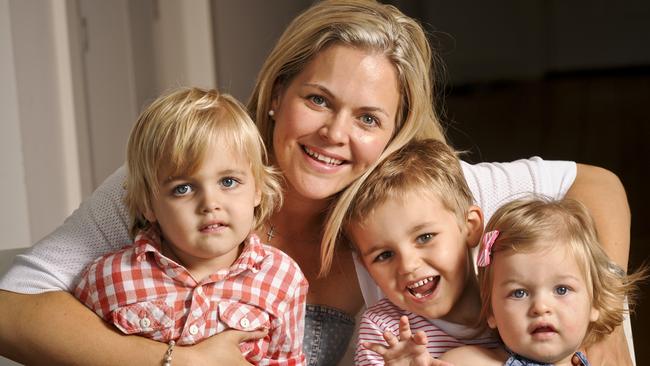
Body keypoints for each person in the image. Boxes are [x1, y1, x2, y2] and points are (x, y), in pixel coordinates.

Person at [0, 1, 633, 365]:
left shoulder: (407, 203)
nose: (336, 133)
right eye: (318, 99)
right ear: (277, 94)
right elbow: (13, 307)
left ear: (392, 135)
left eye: (368, 119)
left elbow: (593, 185)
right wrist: (173, 363)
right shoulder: (191, 177)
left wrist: (602, 329)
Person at [72, 87, 307, 365]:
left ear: (257, 189)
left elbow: (287, 361)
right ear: (149, 205)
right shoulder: (108, 279)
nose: (210, 203)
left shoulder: (282, 278)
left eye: (228, 182)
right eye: (183, 188)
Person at [439, 197, 645, 366]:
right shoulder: (475, 362)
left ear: (595, 303)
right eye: (519, 293)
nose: (541, 307)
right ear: (491, 310)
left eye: (562, 289)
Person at [342, 139, 495, 365]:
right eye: (384, 255)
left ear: (470, 227)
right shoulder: (385, 331)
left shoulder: (514, 299)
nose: (407, 265)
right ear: (367, 268)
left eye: (425, 237)